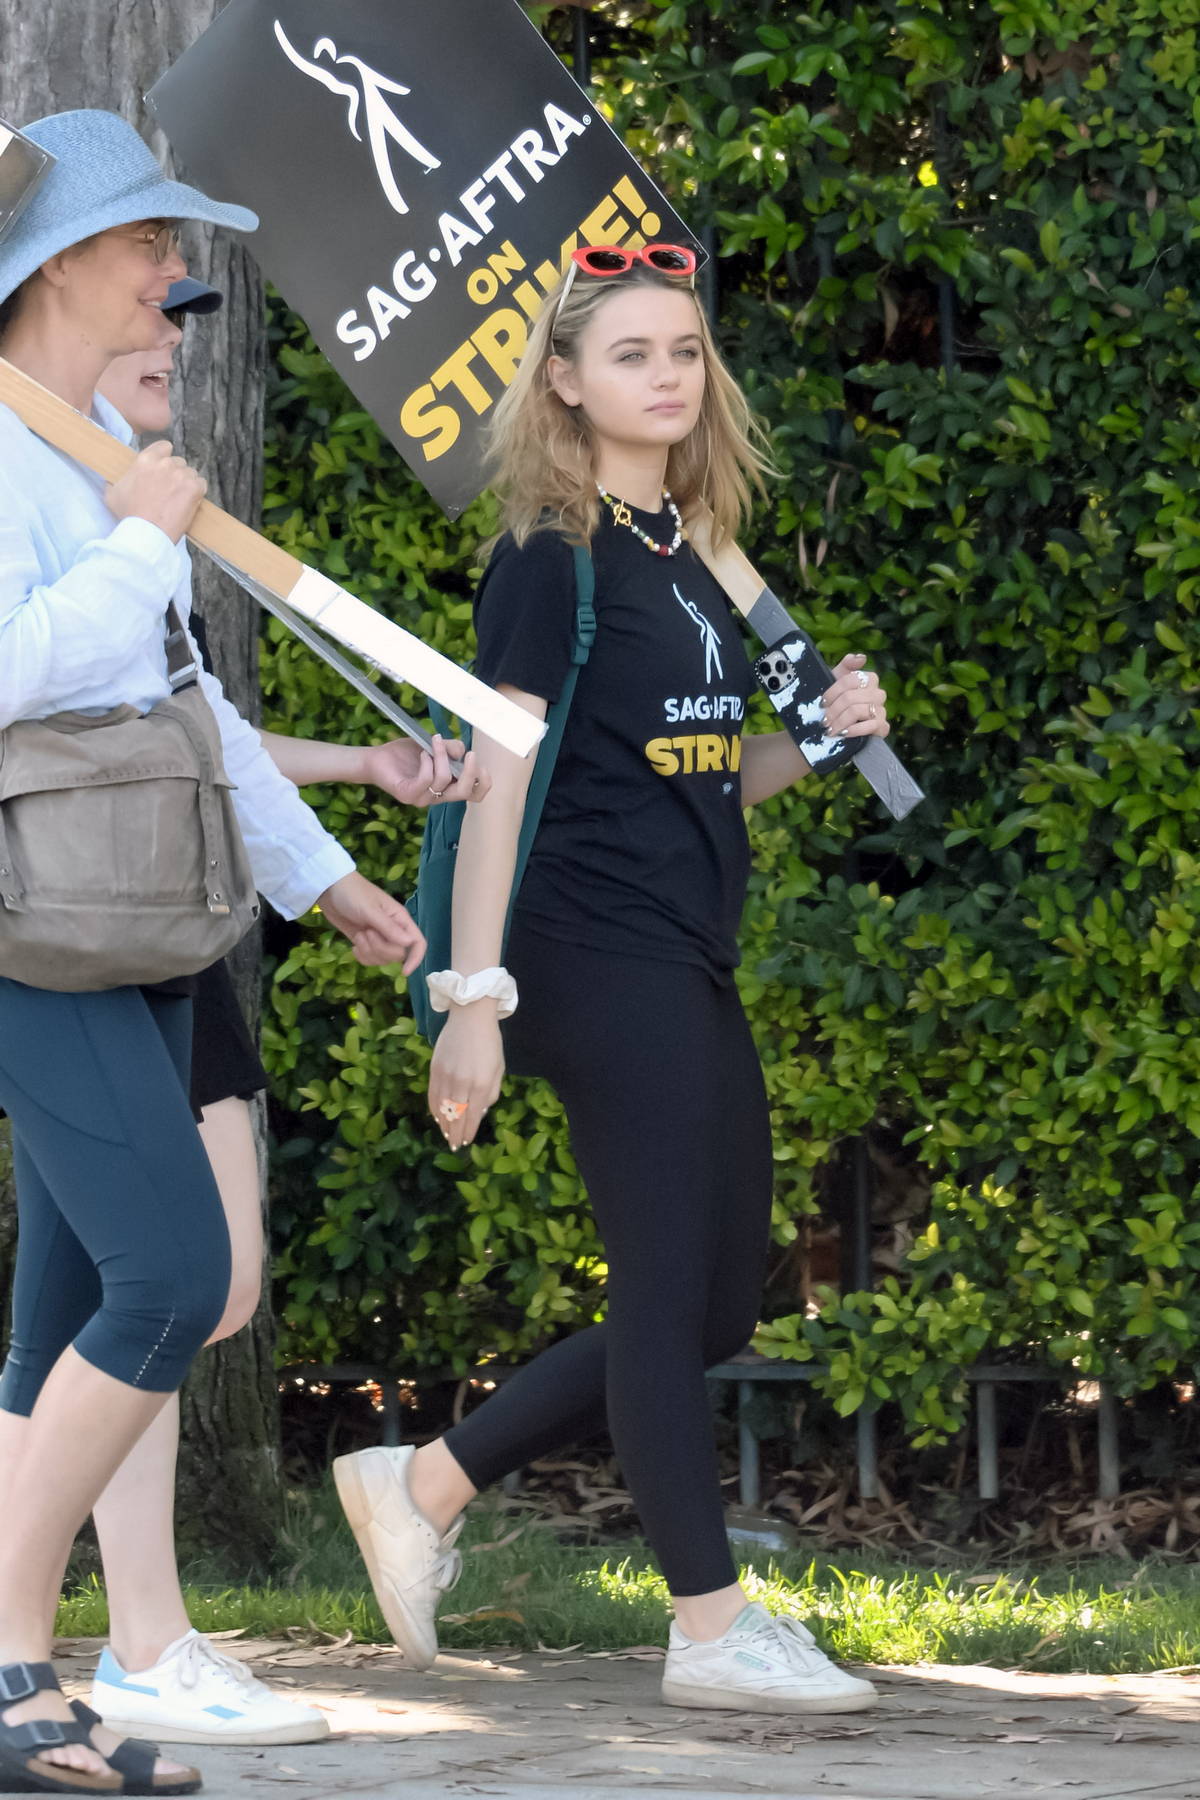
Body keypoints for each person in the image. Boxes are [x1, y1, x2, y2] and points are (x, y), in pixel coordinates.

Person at [333, 243, 893, 1716]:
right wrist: (472, 1000)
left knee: (711, 1311)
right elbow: (504, 781)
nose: (669, 375)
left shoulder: (693, 560)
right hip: (579, 948)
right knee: (660, 1291)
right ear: (566, 383)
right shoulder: (550, 553)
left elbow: (716, 775)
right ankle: (710, 1631)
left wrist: (821, 737)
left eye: (687, 351)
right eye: (634, 352)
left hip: (684, 945)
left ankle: (425, 1484)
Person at [0, 108, 423, 1794]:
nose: (177, 281)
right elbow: (19, 667)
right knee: (177, 1275)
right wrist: (140, 530)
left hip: (137, 917)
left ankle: (31, 1711)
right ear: (52, 265)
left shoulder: (101, 446)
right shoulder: (38, 460)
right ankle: (14, 1657)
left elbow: (196, 709)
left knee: (64, 1326)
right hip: (33, 920)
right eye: (148, 247)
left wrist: (324, 881)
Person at [77, 282, 487, 1750]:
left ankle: (121, 1640)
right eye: (138, 307)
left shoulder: (129, 498)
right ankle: (138, 1639)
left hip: (178, 925)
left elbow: (206, 729)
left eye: (178, 317)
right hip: (86, 935)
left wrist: (336, 851)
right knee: (174, 1288)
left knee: (174, 1292)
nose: (173, 337)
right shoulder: (73, 501)